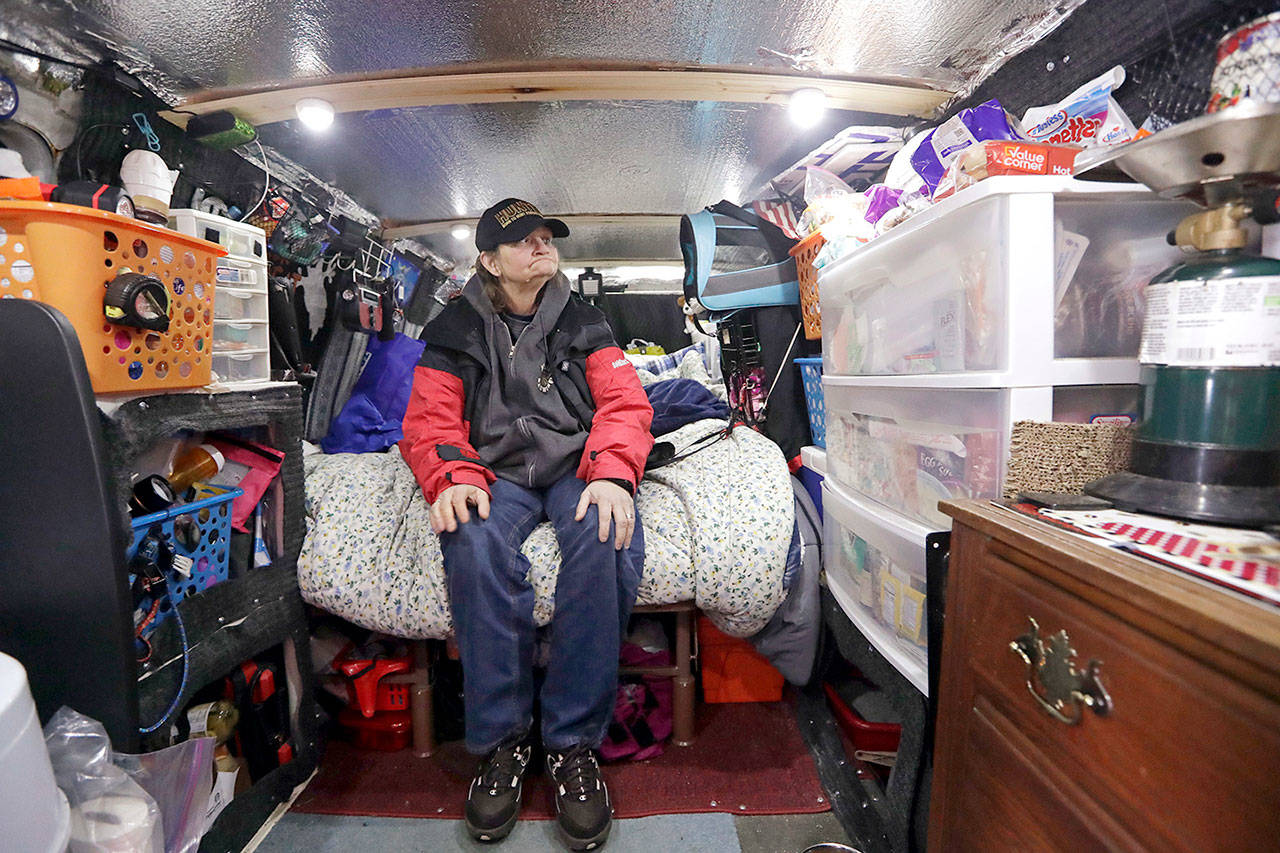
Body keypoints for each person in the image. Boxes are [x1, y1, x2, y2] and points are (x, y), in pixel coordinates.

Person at [399, 198, 653, 851]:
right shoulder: (455, 326)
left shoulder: (586, 319)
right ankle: (505, 740)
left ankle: (571, 745)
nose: (540, 246)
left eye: (546, 237)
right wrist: (451, 474)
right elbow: (429, 421)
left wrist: (611, 471)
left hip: (576, 469)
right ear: (489, 259)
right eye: (523, 240)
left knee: (607, 533)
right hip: (498, 475)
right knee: (472, 541)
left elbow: (625, 404)